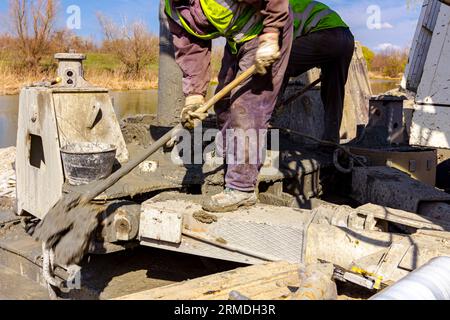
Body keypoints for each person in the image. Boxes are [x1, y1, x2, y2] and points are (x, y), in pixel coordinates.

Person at [165, 0, 293, 212]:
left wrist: (271, 35)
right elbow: (191, 47)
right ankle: (228, 159)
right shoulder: (174, 8)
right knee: (223, 105)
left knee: (247, 107)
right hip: (237, 41)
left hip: (266, 31)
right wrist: (195, 95)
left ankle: (241, 188)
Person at [286, 0, 355, 143]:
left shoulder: (280, 8)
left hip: (325, 37)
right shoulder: (305, 5)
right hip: (346, 39)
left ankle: (269, 123)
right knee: (334, 94)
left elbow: (284, 45)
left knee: (278, 65)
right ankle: (330, 144)